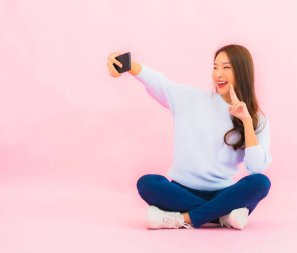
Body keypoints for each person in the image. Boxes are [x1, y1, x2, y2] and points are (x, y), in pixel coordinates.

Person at [106, 44, 272, 230]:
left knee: (261, 183)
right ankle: (222, 216)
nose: (218, 74)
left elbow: (256, 167)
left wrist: (247, 122)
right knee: (147, 183)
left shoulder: (257, 119)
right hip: (181, 191)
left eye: (226, 67)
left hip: (224, 194)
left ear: (242, 71)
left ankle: (182, 219)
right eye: (215, 67)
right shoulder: (191, 99)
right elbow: (161, 83)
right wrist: (128, 66)